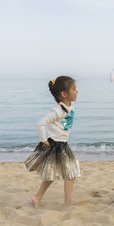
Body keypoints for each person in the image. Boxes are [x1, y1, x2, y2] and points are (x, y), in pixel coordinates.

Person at [25, 76, 80, 208]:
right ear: (64, 94)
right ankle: (68, 203)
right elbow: (41, 123)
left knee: (52, 175)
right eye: (74, 89)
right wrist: (44, 140)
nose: (77, 91)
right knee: (70, 173)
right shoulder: (57, 110)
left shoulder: (68, 105)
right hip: (57, 145)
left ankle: (37, 197)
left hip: (62, 144)